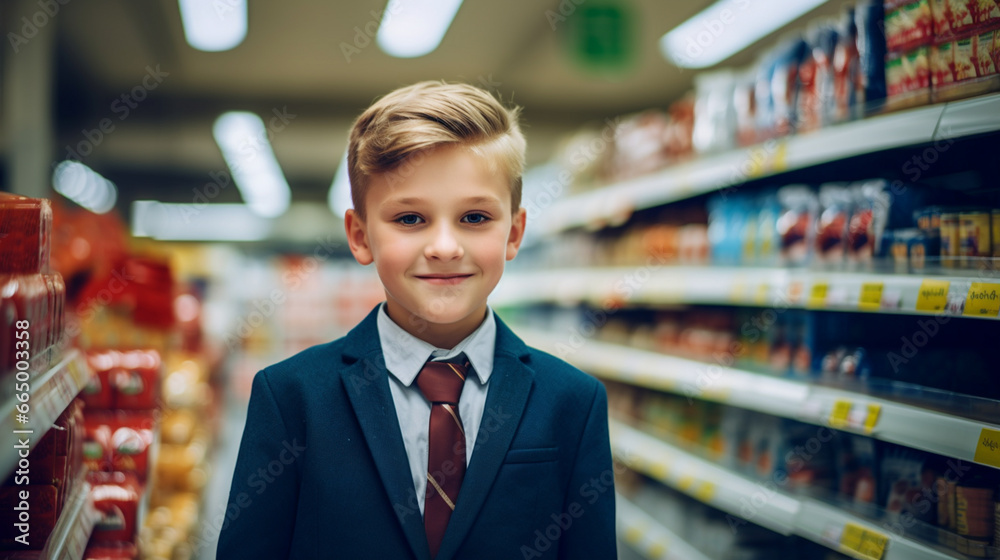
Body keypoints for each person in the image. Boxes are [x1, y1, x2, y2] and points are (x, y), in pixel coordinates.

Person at [216, 81, 617, 560]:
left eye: (474, 217)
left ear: (515, 233)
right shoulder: (291, 398)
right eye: (410, 219)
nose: (445, 247)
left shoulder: (573, 401)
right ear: (360, 236)